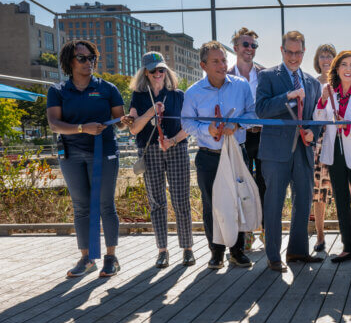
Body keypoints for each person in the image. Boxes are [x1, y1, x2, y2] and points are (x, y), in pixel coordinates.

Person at [47, 40, 126, 278]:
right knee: (81, 207)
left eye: (91, 57)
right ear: (69, 62)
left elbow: (120, 121)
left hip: (104, 153)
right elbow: (54, 124)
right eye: (82, 58)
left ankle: (111, 257)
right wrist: (83, 128)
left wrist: (127, 120)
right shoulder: (58, 90)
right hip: (71, 155)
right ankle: (87, 258)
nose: (88, 62)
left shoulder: (108, 89)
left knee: (105, 205)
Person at [182, 41, 256, 269]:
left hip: (235, 154)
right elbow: (186, 122)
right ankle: (216, 252)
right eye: (216, 61)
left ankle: (237, 251)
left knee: (238, 201)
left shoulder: (241, 86)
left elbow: (252, 114)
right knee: (210, 205)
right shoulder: (193, 93)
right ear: (203, 65)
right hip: (208, 156)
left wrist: (237, 125)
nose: (222, 65)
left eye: (224, 60)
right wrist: (207, 129)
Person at [256, 30, 323, 273]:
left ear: (304, 53)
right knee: (274, 203)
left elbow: (317, 119)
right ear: (282, 51)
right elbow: (261, 110)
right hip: (275, 153)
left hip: (303, 151)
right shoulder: (267, 77)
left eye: (298, 53)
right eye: (289, 52)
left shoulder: (313, 83)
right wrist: (288, 96)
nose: (293, 57)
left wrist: (312, 134)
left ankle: (297, 251)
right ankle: (273, 255)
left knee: (303, 201)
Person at [124, 52, 194, 268]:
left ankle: (187, 248)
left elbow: (188, 127)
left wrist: (172, 141)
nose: (158, 73)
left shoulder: (177, 95)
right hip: (150, 150)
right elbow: (134, 129)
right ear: (145, 72)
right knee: (157, 202)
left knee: (181, 200)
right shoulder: (139, 96)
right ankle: (162, 250)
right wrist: (150, 112)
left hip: (176, 149)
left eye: (161, 69)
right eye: (153, 70)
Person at [314, 50, 351, 266]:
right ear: (337, 69)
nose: (348, 69)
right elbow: (318, 119)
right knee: (341, 203)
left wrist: (346, 125)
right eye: (344, 65)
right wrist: (321, 102)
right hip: (335, 154)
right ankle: (348, 248)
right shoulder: (330, 92)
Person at [228, 27, 266, 251]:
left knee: (263, 185)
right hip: (239, 137)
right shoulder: (227, 75)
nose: (250, 49)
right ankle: (246, 234)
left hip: (263, 137)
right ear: (235, 48)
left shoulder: (264, 74)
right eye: (245, 45)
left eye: (253, 46)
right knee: (242, 187)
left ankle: (263, 230)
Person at [310, 43, 337, 253]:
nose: (326, 60)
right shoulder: (312, 83)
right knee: (319, 192)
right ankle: (320, 235)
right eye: (322, 56)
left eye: (329, 56)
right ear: (317, 60)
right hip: (319, 142)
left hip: (341, 141)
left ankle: (349, 235)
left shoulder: (342, 82)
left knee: (344, 190)